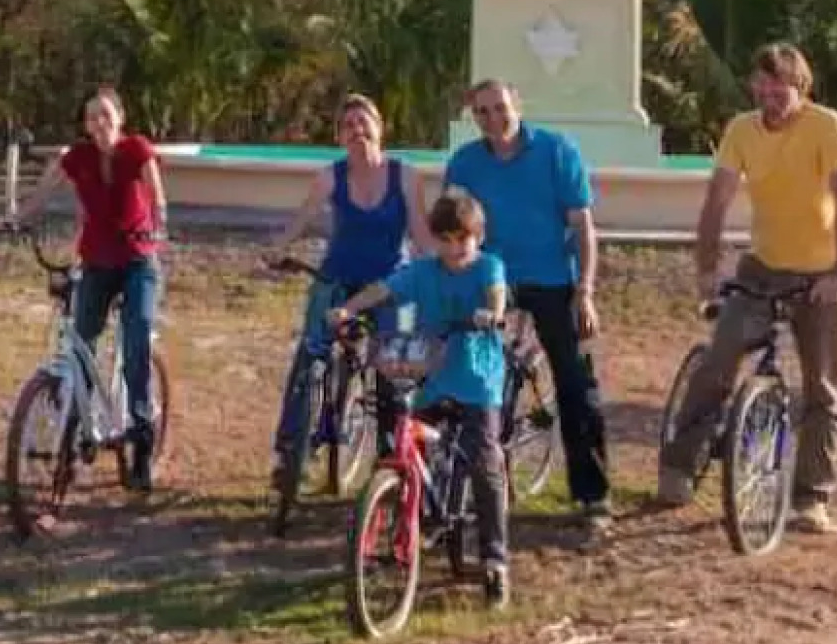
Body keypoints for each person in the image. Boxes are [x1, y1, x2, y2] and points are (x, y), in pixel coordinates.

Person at [657, 43, 837, 535]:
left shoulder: (827, 127)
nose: (770, 94)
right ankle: (679, 467)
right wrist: (707, 271)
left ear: (801, 86)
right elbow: (717, 200)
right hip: (762, 271)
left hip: (823, 275)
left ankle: (811, 499)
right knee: (718, 361)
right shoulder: (741, 130)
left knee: (825, 390)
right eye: (763, 84)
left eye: (781, 86)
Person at [326, 190, 513, 608]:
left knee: (484, 462)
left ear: (479, 237)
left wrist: (492, 314)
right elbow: (384, 289)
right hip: (432, 376)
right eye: (445, 239)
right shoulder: (422, 271)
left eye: (462, 239)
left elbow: (496, 294)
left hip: (477, 380)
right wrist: (349, 309)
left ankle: (495, 560)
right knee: (411, 445)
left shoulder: (489, 266)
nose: (454, 248)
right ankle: (413, 515)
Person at [443, 79, 611, 529]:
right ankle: (467, 482)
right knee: (465, 370)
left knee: (575, 382)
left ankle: (592, 495)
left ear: (518, 106)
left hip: (552, 279)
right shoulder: (465, 163)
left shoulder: (557, 151)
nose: (493, 119)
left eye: (500, 107)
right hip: (491, 279)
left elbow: (582, 226)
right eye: (482, 112)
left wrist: (585, 292)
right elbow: (452, 227)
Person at [4, 86, 168, 493]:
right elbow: (43, 192)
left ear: (120, 118)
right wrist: (17, 219)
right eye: (92, 116)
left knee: (136, 338)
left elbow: (156, 193)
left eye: (106, 114)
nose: (99, 123)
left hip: (137, 259)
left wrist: (158, 223)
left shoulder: (136, 149)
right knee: (80, 345)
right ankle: (75, 437)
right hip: (96, 261)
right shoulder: (77, 157)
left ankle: (142, 442)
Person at [262, 94, 429, 488]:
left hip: (391, 284)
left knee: (396, 362)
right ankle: (291, 453)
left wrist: (441, 271)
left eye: (363, 122)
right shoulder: (329, 177)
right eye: (347, 125)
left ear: (380, 128)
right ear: (339, 137)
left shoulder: (406, 176)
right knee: (310, 357)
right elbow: (301, 221)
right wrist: (278, 248)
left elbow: (421, 235)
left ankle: (391, 453)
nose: (357, 131)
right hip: (336, 279)